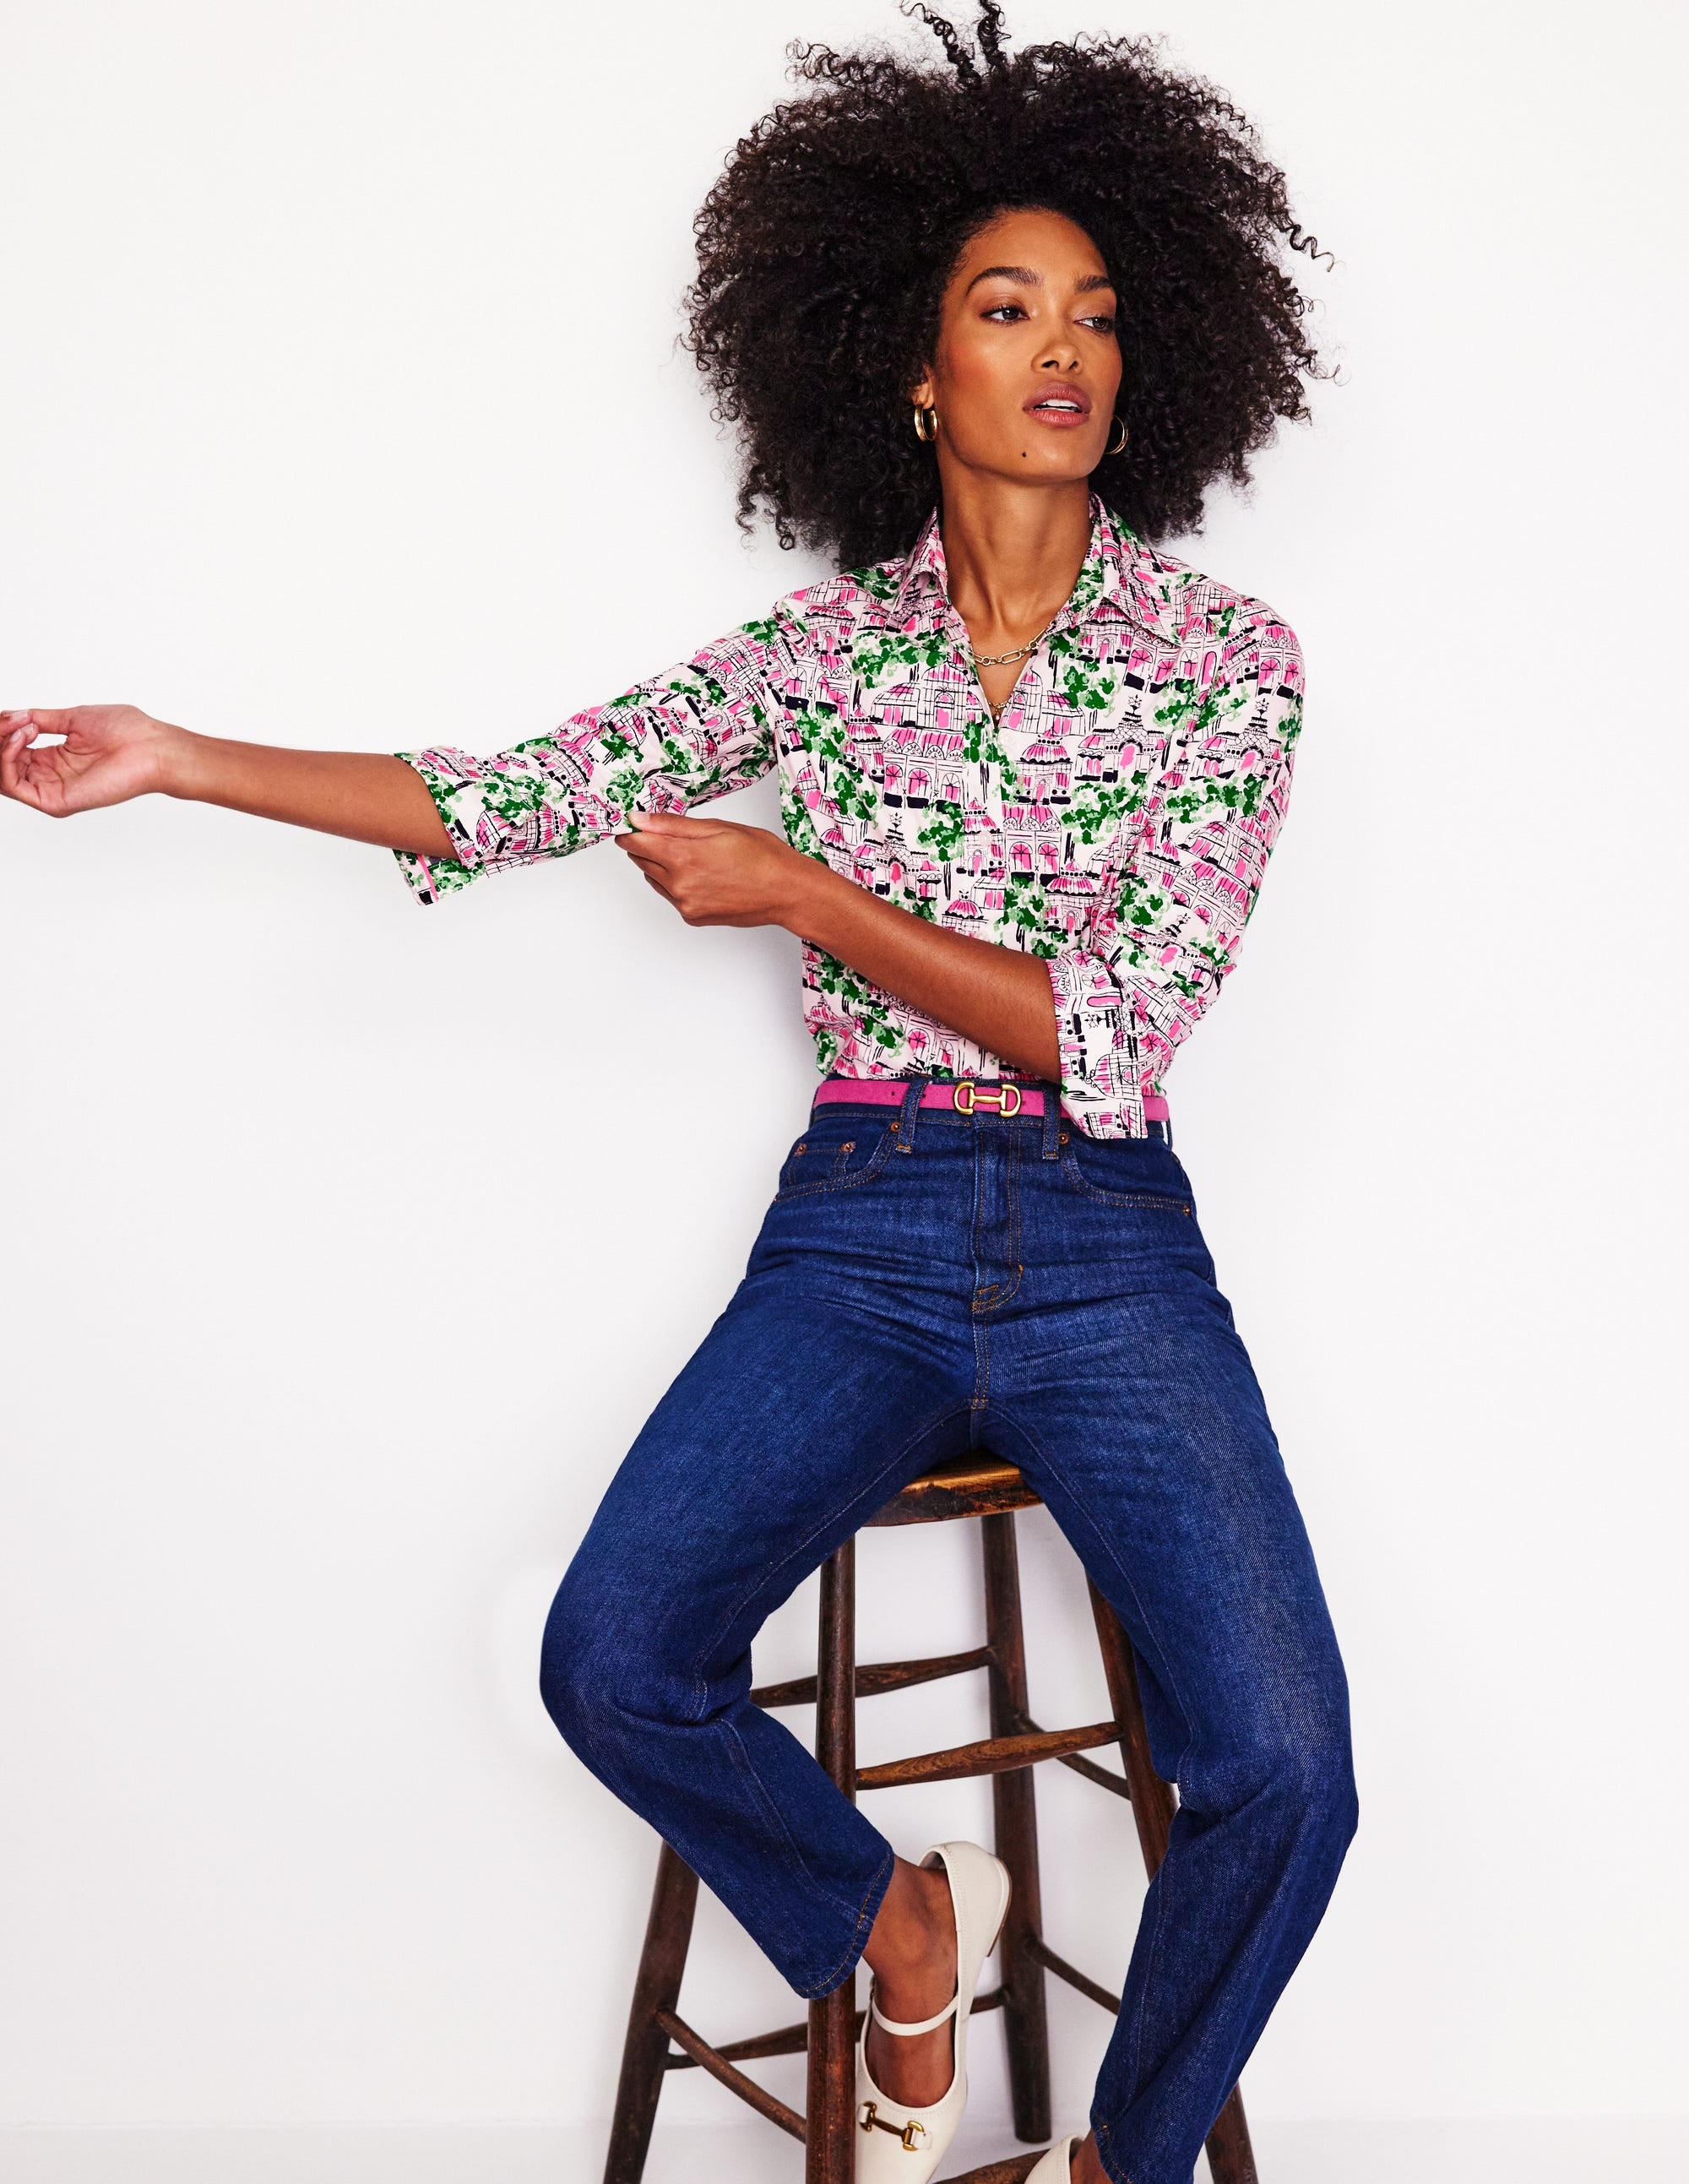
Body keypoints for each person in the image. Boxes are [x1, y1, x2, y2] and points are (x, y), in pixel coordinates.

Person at [0, 7, 1357, 2178]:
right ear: (914, 369)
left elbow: (1118, 1025)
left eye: (1095, 313)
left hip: (1106, 1237)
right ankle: (899, 1921)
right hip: (863, 1229)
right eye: (1006, 309)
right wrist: (185, 756)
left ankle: (1121, 2157)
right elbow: (505, 796)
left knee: (1288, 1764)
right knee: (615, 1654)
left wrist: (812, 892)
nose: (1062, 349)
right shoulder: (809, 664)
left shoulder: (1231, 659)